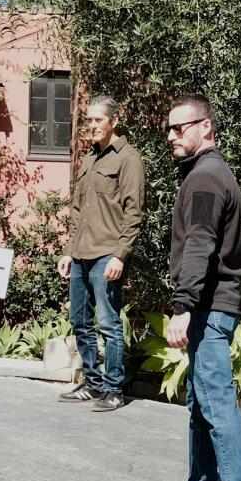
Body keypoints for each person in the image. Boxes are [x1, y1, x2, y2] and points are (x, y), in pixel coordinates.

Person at [155, 95, 241, 481]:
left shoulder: (204, 179)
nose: (171, 137)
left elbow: (200, 242)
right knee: (202, 401)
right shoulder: (207, 174)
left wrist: (183, 305)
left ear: (206, 127)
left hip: (210, 306)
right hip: (210, 304)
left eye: (179, 128)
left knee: (217, 399)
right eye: (169, 129)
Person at [57, 94, 146, 412]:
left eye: (97, 120)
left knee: (108, 323)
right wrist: (69, 251)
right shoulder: (88, 159)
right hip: (81, 254)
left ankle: (114, 389)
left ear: (113, 121)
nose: (91, 125)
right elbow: (78, 211)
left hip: (107, 254)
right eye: (89, 119)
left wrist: (121, 255)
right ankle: (93, 384)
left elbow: (133, 212)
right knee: (79, 320)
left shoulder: (128, 159)